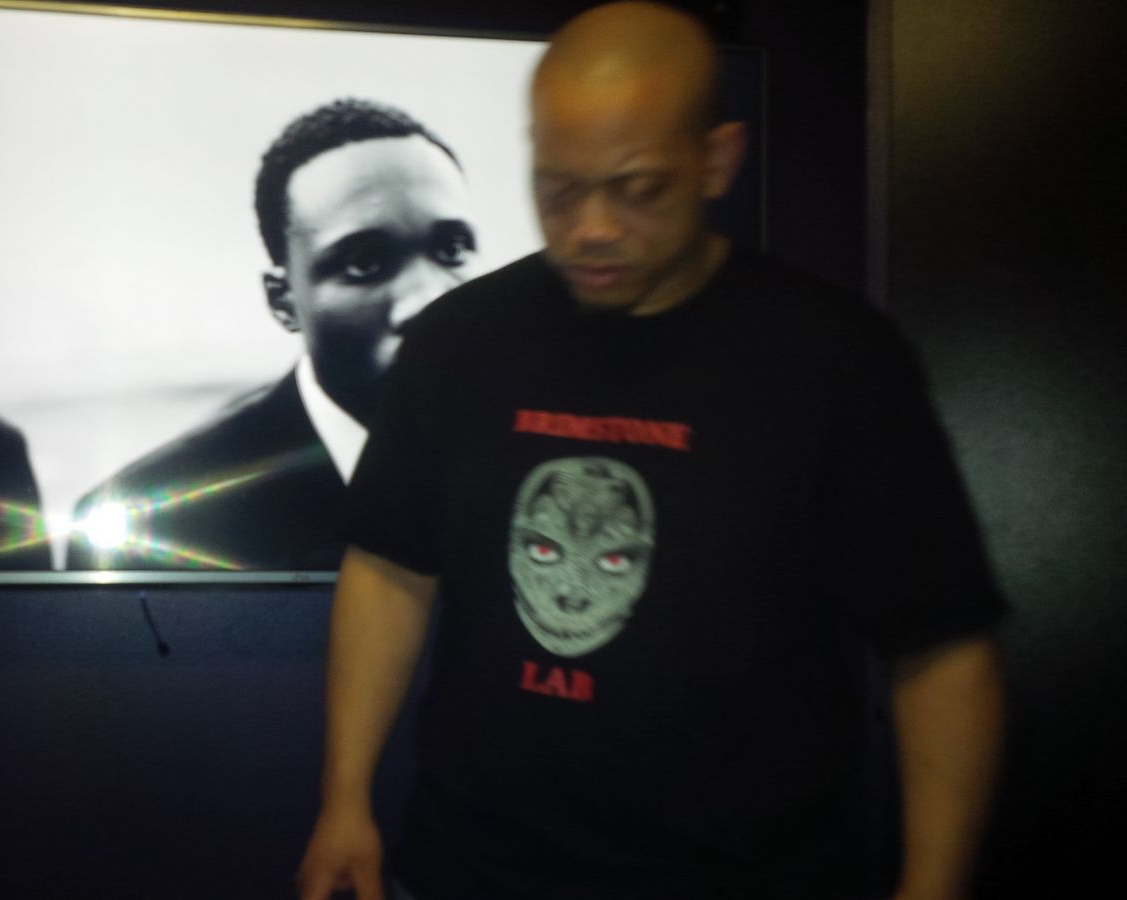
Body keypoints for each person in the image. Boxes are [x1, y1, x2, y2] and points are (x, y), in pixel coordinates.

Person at [296, 4, 1005, 899]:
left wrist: (933, 887)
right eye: (560, 189)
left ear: (716, 160)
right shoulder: (456, 343)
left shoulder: (834, 360)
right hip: (476, 868)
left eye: (637, 189)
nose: (592, 227)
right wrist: (345, 797)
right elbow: (389, 569)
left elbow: (941, 647)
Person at [67, 98, 479, 572]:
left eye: (451, 249)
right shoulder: (152, 527)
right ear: (283, 301)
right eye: (364, 263)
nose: (428, 300)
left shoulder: (532, 454)